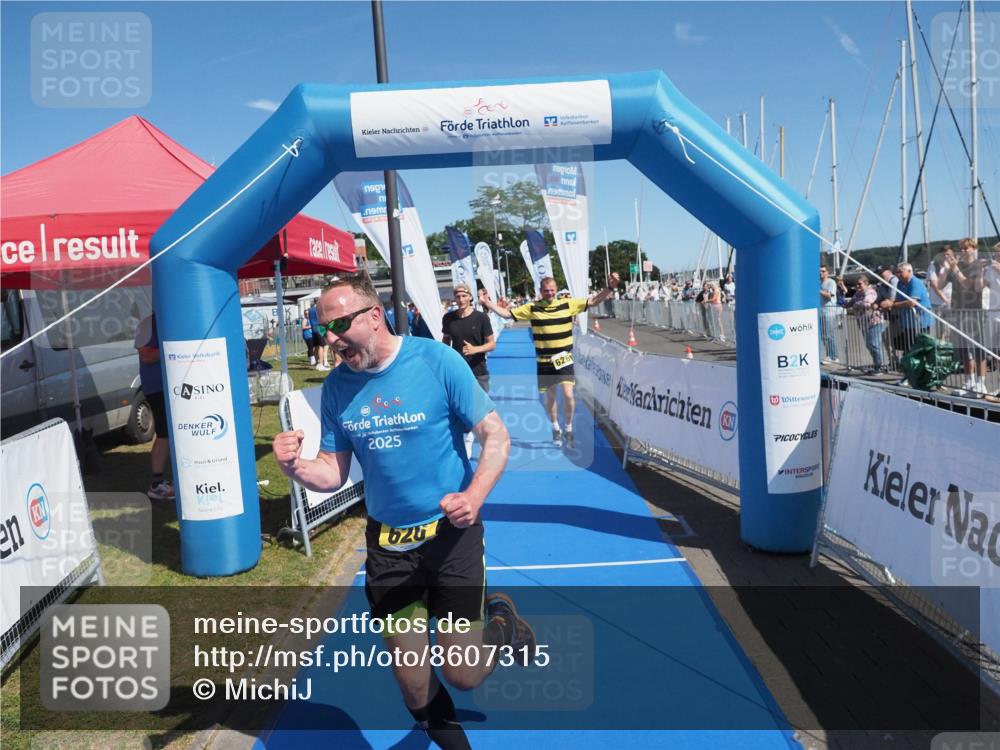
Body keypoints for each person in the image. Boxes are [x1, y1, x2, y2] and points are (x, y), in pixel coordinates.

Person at [272, 274, 531, 750]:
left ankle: (502, 626)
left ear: (374, 316)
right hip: (390, 548)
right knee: (412, 681)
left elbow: (496, 437)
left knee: (464, 673)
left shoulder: (436, 361)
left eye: (339, 324)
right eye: (322, 327)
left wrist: (473, 496)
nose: (329, 339)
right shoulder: (337, 389)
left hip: (453, 538)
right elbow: (332, 472)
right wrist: (294, 467)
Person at [479, 273, 619, 447]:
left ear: (557, 290)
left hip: (564, 359)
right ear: (540, 292)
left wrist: (610, 288)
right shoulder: (532, 308)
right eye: (546, 291)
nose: (549, 293)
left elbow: (593, 301)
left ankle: (568, 429)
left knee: (568, 395)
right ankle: (555, 428)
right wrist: (487, 303)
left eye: (552, 290)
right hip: (545, 362)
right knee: (551, 397)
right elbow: (507, 314)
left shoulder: (568, 304)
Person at [134, 314, 175, 501]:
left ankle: (175, 477)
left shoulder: (174, 317)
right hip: (157, 387)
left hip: (176, 386)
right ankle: (156, 483)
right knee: (165, 432)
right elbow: (147, 355)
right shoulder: (147, 324)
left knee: (175, 432)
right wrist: (174, 347)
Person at [941, 238, 987, 395]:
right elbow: (940, 284)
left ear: (974, 248)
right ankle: (969, 381)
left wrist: (955, 268)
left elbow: (969, 285)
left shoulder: (978, 265)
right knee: (964, 349)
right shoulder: (957, 266)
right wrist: (948, 268)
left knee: (978, 349)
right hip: (959, 310)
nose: (963, 251)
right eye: (961, 248)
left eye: (967, 248)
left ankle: (981, 384)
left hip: (975, 311)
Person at [879, 262, 933, 380]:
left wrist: (892, 304)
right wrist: (888, 304)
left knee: (916, 350)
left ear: (909, 271)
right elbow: (896, 299)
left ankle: (919, 375)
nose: (898, 274)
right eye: (897, 272)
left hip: (920, 322)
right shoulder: (900, 284)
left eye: (900, 272)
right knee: (908, 349)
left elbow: (912, 302)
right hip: (907, 323)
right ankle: (911, 375)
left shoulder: (915, 282)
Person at [441, 283, 495, 392]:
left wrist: (475, 349)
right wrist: (443, 356)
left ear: (470, 297)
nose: (461, 300)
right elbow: (446, 340)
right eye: (458, 297)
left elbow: (492, 344)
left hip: (478, 371)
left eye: (464, 296)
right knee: (460, 406)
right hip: (457, 370)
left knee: (482, 407)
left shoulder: (481, 318)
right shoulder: (448, 318)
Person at [848, 275, 886, 372]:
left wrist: (856, 304)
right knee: (869, 345)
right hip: (864, 323)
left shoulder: (870, 292)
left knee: (873, 344)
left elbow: (867, 303)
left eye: (859, 284)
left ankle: (880, 366)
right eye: (856, 284)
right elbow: (849, 303)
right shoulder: (857, 294)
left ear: (866, 283)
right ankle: (877, 365)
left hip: (874, 322)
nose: (857, 286)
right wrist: (843, 302)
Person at [819, 265, 839, 363]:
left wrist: (818, 291)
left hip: (829, 312)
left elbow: (829, 296)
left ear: (827, 272)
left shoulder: (831, 282)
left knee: (829, 335)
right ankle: (829, 355)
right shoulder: (818, 283)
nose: (821, 273)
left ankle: (834, 357)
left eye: (823, 271)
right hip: (821, 312)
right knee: (824, 335)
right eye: (819, 271)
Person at [308, 300, 330, 370]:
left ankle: (317, 363)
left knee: (317, 346)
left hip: (313, 329)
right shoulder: (319, 309)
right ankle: (321, 364)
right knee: (321, 346)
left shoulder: (310, 310)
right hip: (320, 328)